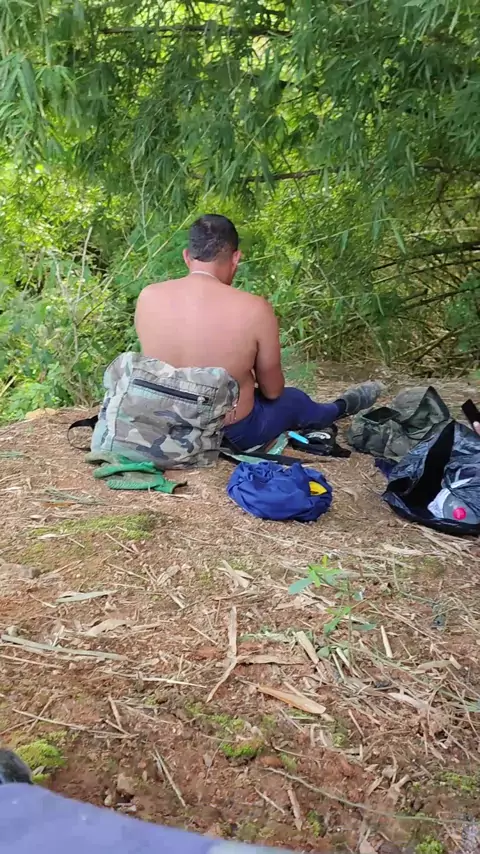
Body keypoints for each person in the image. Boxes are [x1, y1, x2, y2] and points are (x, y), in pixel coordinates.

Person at [135, 214, 384, 451]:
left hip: (162, 424)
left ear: (186, 256)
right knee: (293, 400)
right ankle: (340, 407)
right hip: (229, 432)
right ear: (236, 258)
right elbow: (272, 391)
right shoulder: (254, 308)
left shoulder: (148, 296)